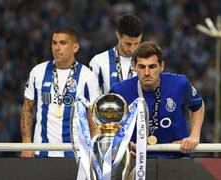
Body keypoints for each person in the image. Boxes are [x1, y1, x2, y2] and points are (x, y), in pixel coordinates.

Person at [110, 41, 205, 158]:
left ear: (162, 66)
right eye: (141, 67)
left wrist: (194, 135)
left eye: (152, 66)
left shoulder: (179, 83)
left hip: (176, 157)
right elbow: (108, 125)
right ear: (134, 67)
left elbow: (197, 106)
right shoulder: (119, 91)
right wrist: (121, 143)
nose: (147, 73)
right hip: (136, 159)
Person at [21, 27, 100, 158]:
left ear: (75, 47)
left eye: (63, 43)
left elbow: (93, 118)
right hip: (41, 152)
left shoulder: (87, 76)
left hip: (76, 154)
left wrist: (94, 152)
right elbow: (27, 108)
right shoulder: (38, 72)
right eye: (54, 43)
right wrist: (26, 144)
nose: (57, 48)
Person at [89, 13, 143, 94]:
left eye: (136, 43)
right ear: (118, 35)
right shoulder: (98, 62)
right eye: (128, 44)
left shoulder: (147, 63)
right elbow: (91, 96)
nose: (132, 49)